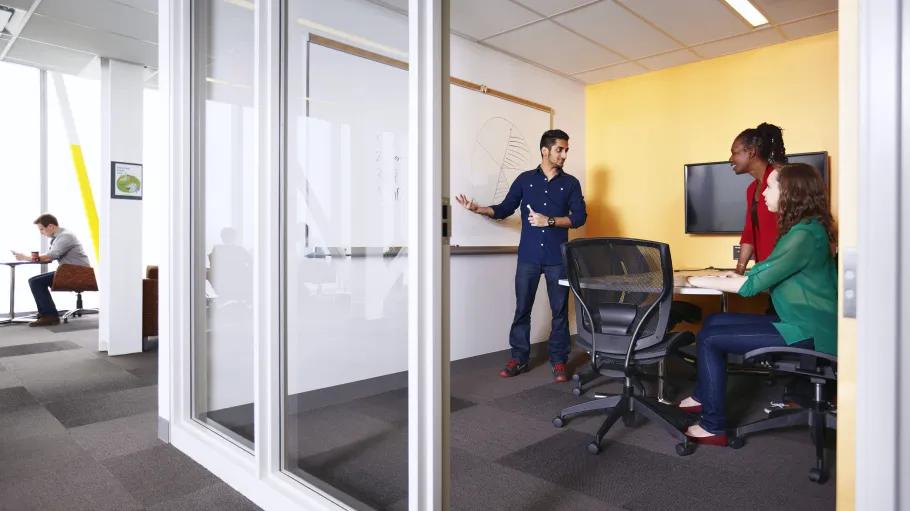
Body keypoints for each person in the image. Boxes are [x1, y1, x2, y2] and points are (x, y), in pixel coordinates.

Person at [676, 163, 837, 446]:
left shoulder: (803, 235)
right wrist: (732, 273)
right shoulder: (805, 229)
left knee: (709, 338)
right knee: (714, 321)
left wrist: (695, 280)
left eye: (771, 187)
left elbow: (751, 288)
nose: (763, 193)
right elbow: (772, 271)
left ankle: (713, 426)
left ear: (791, 193)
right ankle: (703, 397)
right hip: (799, 320)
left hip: (810, 331)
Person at [456, 129, 587, 382]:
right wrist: (478, 208)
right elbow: (505, 208)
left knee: (559, 311)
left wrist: (548, 220)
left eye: (566, 150)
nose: (564, 155)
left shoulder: (571, 184)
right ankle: (519, 358)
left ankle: (559, 362)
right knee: (522, 309)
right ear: (545, 150)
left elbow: (579, 218)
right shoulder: (525, 180)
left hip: (557, 258)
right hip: (528, 257)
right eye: (560, 149)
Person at [11, 214, 92, 327]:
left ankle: (49, 316)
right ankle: (46, 312)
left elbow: (52, 255)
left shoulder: (66, 236)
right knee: (34, 280)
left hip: (79, 273)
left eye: (42, 229)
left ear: (50, 226)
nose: (41, 233)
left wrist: (27, 258)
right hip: (70, 271)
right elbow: (51, 255)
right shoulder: (60, 237)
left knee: (36, 282)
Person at [730, 123, 787, 274]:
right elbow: (749, 232)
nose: (730, 159)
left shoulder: (781, 180)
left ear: (750, 152)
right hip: (766, 272)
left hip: (785, 271)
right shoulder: (751, 190)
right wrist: (739, 271)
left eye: (734, 153)